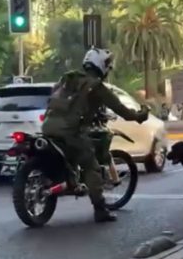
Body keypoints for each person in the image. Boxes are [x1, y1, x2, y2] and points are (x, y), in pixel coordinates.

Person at [41, 48, 149, 223]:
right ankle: (100, 210)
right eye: (108, 65)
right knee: (91, 164)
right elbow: (120, 109)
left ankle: (66, 178)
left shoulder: (67, 79)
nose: (108, 69)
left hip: (47, 127)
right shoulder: (96, 86)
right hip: (70, 131)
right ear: (101, 66)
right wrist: (139, 116)